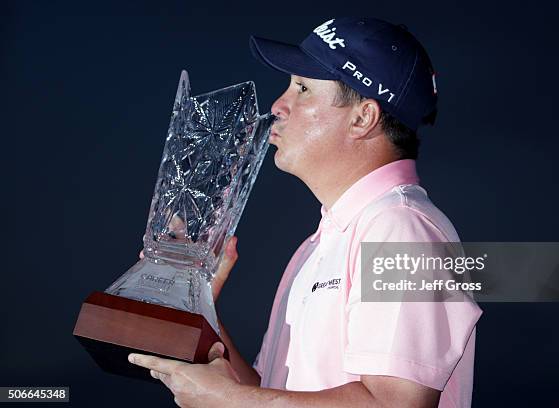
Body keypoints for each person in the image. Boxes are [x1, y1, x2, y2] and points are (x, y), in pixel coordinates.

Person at [129, 17, 482, 408]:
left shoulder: (402, 228)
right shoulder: (319, 245)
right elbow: (269, 391)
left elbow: (394, 403)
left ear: (362, 118)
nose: (279, 105)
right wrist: (199, 307)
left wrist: (228, 400)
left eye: (302, 88)